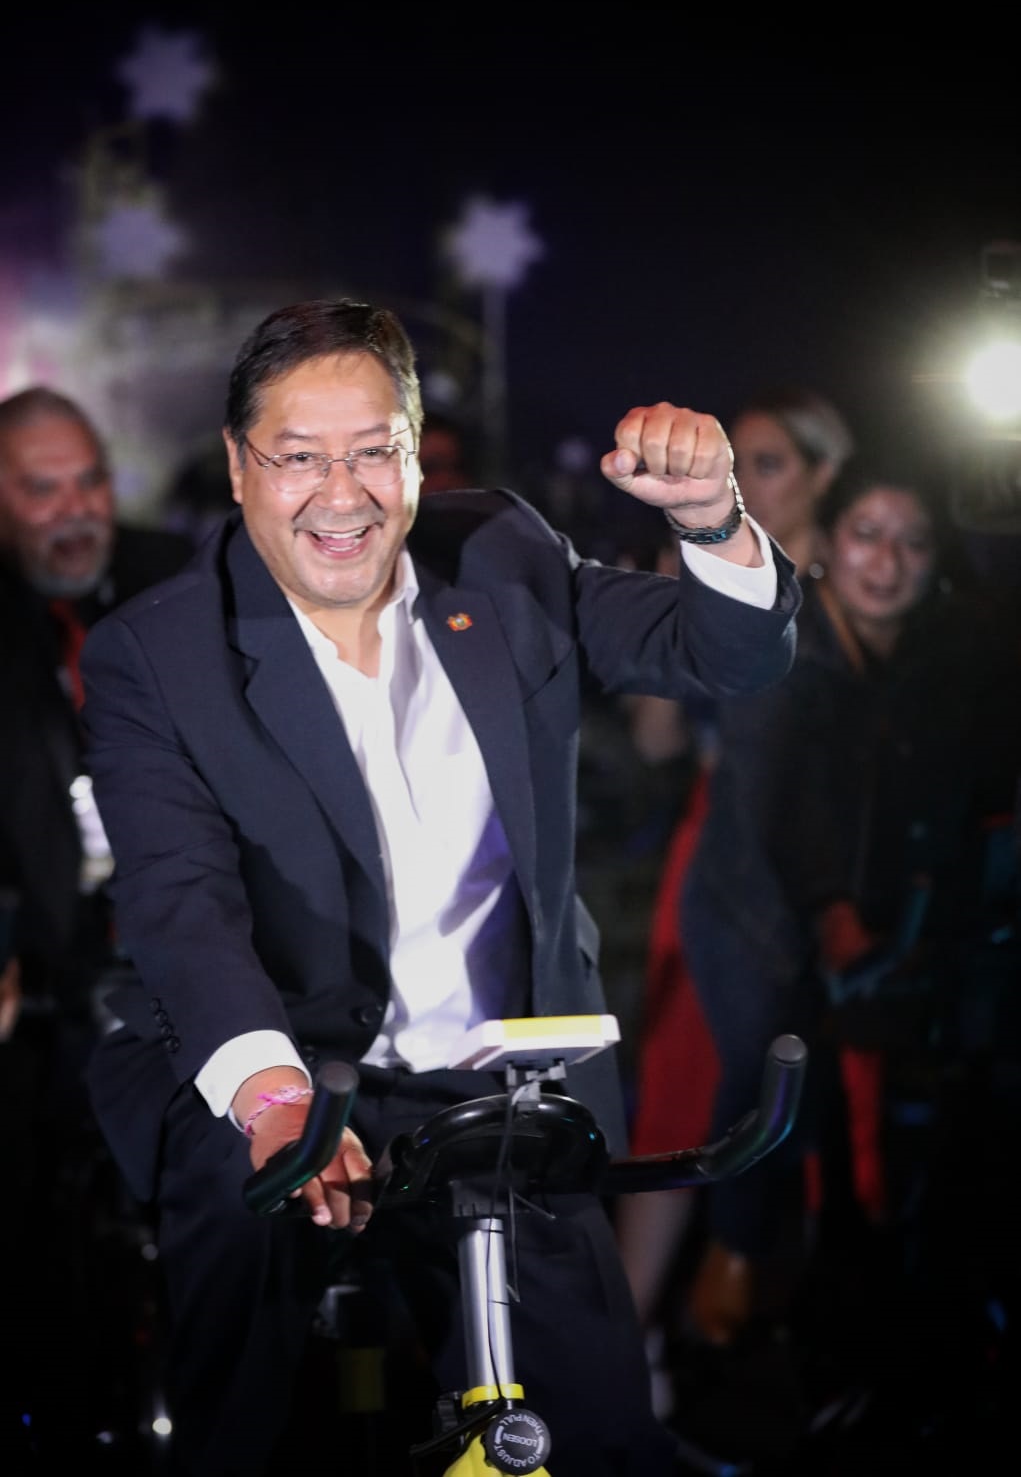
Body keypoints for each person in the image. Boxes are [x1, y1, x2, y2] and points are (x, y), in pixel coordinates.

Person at [78, 296, 802, 1477]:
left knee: (595, 1433)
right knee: (249, 1416)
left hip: (497, 1075)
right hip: (282, 1068)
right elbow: (180, 901)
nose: (342, 494)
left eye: (374, 450)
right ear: (239, 466)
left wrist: (711, 517)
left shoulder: (501, 552)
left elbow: (727, 653)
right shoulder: (157, 654)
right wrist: (272, 1101)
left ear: (416, 455)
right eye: (299, 457)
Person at [663, 450, 1020, 1463]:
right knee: (765, 1088)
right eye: (867, 534)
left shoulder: (935, 659)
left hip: (867, 927)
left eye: (912, 542)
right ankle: (719, 1308)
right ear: (827, 543)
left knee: (877, 1127)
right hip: (754, 911)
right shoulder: (784, 641)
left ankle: (836, 1343)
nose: (886, 561)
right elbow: (769, 806)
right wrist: (830, 918)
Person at [615, 386, 855, 1376]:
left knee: (820, 1094)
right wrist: (670, 613)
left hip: (834, 861)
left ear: (822, 473)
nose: (747, 482)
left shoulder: (861, 571)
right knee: (682, 1084)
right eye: (737, 462)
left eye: (769, 464)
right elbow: (656, 741)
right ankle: (632, 1344)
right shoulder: (709, 566)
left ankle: (785, 1332)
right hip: (718, 849)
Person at [0, 385, 193, 1456]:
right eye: (43, 490)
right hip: (39, 962)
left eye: (90, 483)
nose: (75, 510)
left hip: (183, 947)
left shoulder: (178, 577)